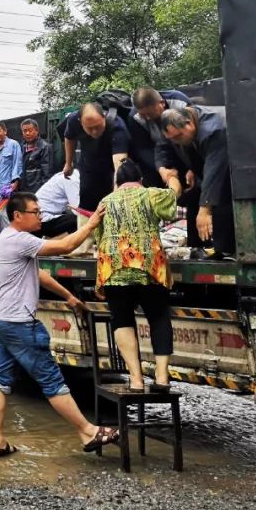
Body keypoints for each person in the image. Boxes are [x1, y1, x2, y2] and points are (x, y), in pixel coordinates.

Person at [0, 192, 119, 457]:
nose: (40, 216)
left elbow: (39, 273)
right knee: (50, 379)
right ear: (18, 216)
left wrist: (68, 295)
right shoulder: (19, 239)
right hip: (17, 323)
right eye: (35, 212)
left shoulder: (8, 240)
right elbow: (67, 247)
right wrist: (90, 225)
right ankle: (88, 431)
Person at [93, 159, 182, 393]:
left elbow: (97, 235)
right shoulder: (151, 195)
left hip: (115, 269)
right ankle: (162, 378)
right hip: (148, 268)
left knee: (122, 320)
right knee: (158, 316)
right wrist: (172, 177)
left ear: (117, 182)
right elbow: (172, 199)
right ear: (140, 180)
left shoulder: (105, 201)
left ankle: (136, 380)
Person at [159, 107, 235, 255]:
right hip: (208, 173)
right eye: (172, 139)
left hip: (232, 173)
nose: (176, 142)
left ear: (189, 123)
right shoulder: (186, 129)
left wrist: (205, 209)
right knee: (193, 198)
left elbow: (215, 170)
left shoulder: (213, 130)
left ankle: (225, 252)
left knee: (216, 206)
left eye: (178, 137)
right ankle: (196, 247)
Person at [62, 102, 130, 212]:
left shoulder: (117, 126)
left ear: (104, 117)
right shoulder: (73, 120)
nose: (94, 132)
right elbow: (69, 138)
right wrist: (68, 163)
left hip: (111, 168)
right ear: (81, 122)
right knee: (87, 204)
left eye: (98, 127)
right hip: (89, 167)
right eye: (89, 128)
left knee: (113, 205)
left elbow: (120, 165)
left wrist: (117, 192)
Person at [129, 87, 194, 188]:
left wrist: (193, 167)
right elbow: (145, 149)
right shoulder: (135, 118)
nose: (148, 118)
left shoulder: (180, 103)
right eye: (143, 115)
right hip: (159, 151)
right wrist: (162, 170)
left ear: (162, 103)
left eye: (150, 113)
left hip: (186, 146)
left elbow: (193, 135)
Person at [0, 121, 24, 237]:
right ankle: (2, 241)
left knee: (5, 215)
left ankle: (10, 241)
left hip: (6, 187)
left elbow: (17, 163)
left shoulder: (13, 144)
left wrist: (15, 182)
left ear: (5, 131)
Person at [32, 171, 81, 238]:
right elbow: (78, 210)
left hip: (41, 216)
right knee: (78, 220)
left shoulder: (70, 174)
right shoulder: (72, 179)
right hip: (43, 220)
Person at [20, 118, 53, 193]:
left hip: (37, 191)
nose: (27, 133)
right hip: (24, 191)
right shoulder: (22, 147)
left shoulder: (45, 147)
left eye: (30, 130)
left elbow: (47, 174)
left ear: (37, 131)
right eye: (25, 131)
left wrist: (42, 192)